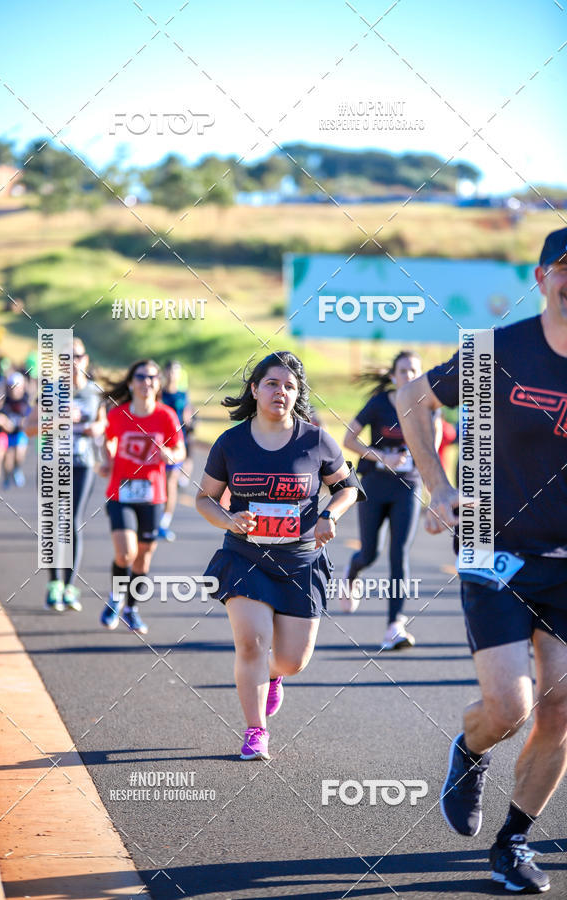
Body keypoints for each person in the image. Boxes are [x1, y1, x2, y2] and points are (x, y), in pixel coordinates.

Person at [397, 228, 567, 893]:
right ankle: (470, 753)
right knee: (511, 708)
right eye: (564, 267)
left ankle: (512, 841)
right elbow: (413, 399)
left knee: (559, 712)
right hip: (495, 547)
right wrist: (437, 486)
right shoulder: (498, 349)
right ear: (541, 276)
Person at [196, 351, 363, 761]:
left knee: (293, 660)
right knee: (251, 643)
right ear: (254, 389)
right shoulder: (231, 442)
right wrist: (230, 520)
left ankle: (273, 676)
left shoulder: (316, 440)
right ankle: (256, 731)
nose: (281, 392)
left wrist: (329, 515)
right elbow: (204, 499)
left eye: (290, 386)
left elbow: (349, 487)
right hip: (246, 557)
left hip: (300, 561)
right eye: (272, 384)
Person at [342, 351, 436, 650]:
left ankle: (394, 626)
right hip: (374, 484)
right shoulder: (379, 404)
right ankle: (353, 571)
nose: (409, 376)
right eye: (404, 371)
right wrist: (382, 456)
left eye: (414, 371)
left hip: (408, 487)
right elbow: (348, 439)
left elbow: (430, 452)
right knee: (370, 553)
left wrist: (435, 495)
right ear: (394, 376)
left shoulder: (427, 407)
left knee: (399, 554)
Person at [100, 359, 185, 635]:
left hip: (153, 495)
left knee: (143, 560)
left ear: (158, 383)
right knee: (126, 553)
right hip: (121, 491)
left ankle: (131, 609)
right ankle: (115, 598)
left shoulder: (166, 416)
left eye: (152, 377)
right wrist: (107, 457)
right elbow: (108, 440)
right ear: (130, 382)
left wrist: (171, 456)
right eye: (140, 377)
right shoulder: (117, 414)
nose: (146, 382)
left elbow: (180, 450)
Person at [26, 338, 106, 612]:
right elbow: (28, 428)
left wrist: (94, 429)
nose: (72, 362)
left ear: (85, 360)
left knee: (71, 521)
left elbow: (101, 424)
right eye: (66, 357)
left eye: (77, 356)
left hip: (82, 463)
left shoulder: (95, 393)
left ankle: (70, 586)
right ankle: (53, 584)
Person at [158, 360, 196, 541]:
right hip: (158, 443)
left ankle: (163, 524)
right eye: (171, 371)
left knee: (170, 483)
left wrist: (191, 425)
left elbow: (189, 417)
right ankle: (151, 518)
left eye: (177, 371)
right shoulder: (159, 394)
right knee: (155, 482)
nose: (173, 374)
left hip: (177, 443)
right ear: (165, 373)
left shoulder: (183, 395)